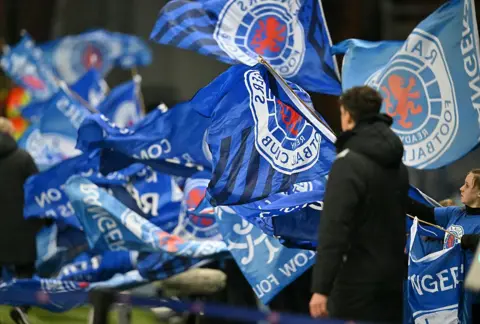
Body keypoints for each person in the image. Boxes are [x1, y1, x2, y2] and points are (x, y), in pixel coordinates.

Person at [309, 86, 409, 323]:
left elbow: (335, 228)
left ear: (348, 115)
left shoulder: (348, 163)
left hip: (356, 286)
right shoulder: (397, 165)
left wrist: (321, 287)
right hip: (393, 281)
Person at [407, 169, 480, 322]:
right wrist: (396, 195)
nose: (461, 188)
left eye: (467, 185)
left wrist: (474, 240)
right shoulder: (455, 213)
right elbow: (423, 213)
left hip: (474, 295)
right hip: (450, 293)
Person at [0, 117, 40, 324]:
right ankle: (21, 307)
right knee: (24, 271)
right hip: (21, 225)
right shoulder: (24, 158)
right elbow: (38, 191)